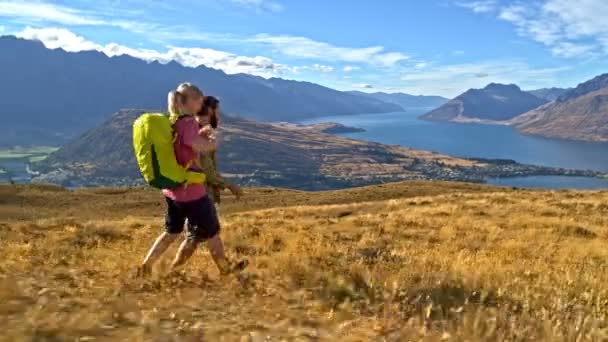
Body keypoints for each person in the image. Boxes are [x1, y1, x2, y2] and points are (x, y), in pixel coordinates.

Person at [138, 83, 246, 277]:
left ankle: (146, 266)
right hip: (193, 191)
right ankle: (225, 270)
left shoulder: (173, 121)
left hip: (173, 190)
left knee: (171, 232)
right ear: (195, 101)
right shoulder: (188, 122)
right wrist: (213, 142)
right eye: (200, 101)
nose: (201, 106)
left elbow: (182, 146)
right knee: (212, 232)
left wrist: (200, 134)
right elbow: (197, 146)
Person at [194, 96, 243, 210]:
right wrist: (229, 185)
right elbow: (207, 170)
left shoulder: (195, 133)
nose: (218, 115)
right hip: (201, 195)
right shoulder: (200, 137)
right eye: (216, 112)